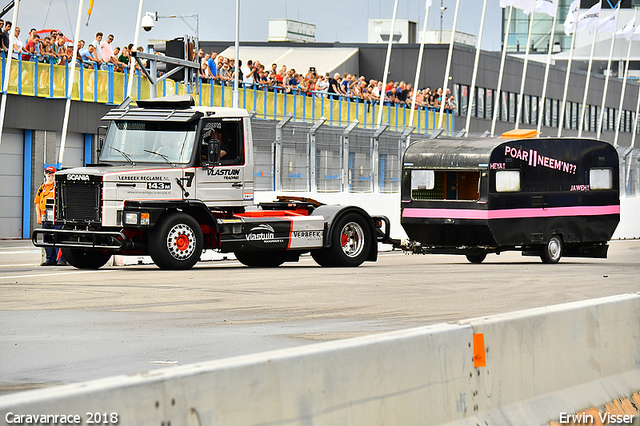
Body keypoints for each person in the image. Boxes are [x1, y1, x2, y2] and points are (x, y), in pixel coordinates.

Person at [34, 166, 66, 266]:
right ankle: (50, 259)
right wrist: (38, 216)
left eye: (51, 173)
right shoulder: (42, 188)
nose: (49, 174)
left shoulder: (57, 186)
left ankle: (61, 259)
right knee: (47, 238)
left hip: (56, 217)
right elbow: (37, 203)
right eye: (47, 172)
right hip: (45, 217)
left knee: (58, 237)